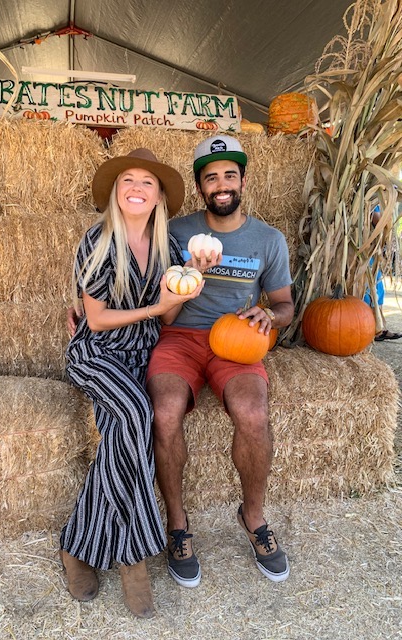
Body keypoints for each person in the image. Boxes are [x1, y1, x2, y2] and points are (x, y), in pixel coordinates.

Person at [60, 148, 204, 619]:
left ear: (160, 196)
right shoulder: (98, 241)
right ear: (117, 193)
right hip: (98, 353)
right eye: (128, 181)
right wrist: (156, 308)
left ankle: (78, 545)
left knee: (128, 431)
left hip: (143, 355)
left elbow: (172, 315)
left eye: (147, 182)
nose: (137, 188)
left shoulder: (170, 250)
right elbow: (97, 320)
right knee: (137, 414)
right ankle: (134, 557)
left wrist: (184, 290)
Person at [146, 135, 295, 587]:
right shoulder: (175, 232)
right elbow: (151, 294)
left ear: (243, 180)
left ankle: (252, 517)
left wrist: (269, 314)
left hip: (236, 339)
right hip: (180, 336)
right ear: (200, 187)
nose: (222, 184)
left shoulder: (268, 239)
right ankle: (177, 525)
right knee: (164, 411)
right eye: (211, 177)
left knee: (253, 412)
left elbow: (286, 306)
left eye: (229, 174)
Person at [364, 204, 401, 341]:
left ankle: (379, 327)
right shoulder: (373, 199)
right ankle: (374, 329)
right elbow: (378, 220)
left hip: (371, 249)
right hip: (365, 248)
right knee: (371, 288)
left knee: (377, 288)